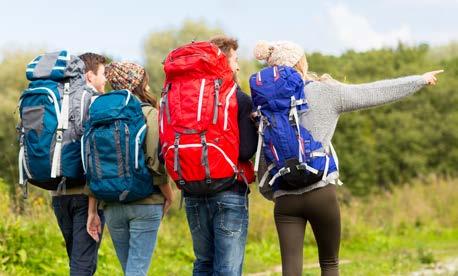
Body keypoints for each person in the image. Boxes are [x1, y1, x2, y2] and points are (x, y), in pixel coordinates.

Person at [252, 40, 443, 276]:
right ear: (300, 63)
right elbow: (373, 92)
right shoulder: (325, 92)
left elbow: (262, 154)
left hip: (284, 198)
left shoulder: (263, 106)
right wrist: (418, 80)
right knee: (330, 264)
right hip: (321, 192)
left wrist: (274, 194)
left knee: (291, 271)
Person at [181, 36, 258, 275]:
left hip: (192, 188)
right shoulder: (239, 99)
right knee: (227, 268)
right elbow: (245, 151)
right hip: (229, 190)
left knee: (203, 262)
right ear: (223, 61)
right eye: (234, 59)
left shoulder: (186, 97)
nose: (237, 66)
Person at [100, 61, 175, 276]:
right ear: (141, 85)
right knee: (137, 271)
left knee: (131, 271)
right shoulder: (151, 114)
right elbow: (155, 163)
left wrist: (92, 208)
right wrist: (168, 195)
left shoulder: (102, 114)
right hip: (146, 202)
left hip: (112, 203)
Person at [51, 52, 107, 276]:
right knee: (82, 266)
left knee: (78, 261)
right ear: (89, 76)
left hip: (57, 194)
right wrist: (94, 207)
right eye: (103, 74)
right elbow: (95, 155)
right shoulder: (94, 101)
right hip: (85, 195)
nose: (106, 80)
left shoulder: (58, 98)